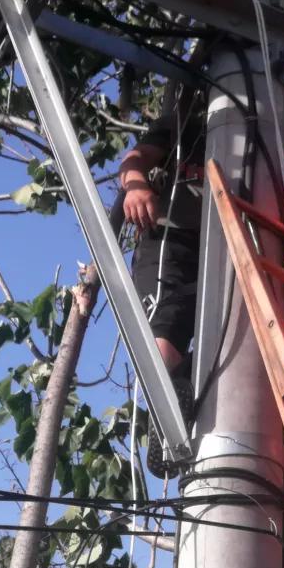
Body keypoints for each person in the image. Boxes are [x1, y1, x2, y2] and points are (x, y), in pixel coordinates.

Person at [119, 107, 203, 473]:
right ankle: (169, 410)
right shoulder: (185, 122)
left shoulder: (265, 129)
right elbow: (135, 159)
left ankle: (186, 381)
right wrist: (136, 185)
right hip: (172, 234)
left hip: (230, 246)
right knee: (162, 335)